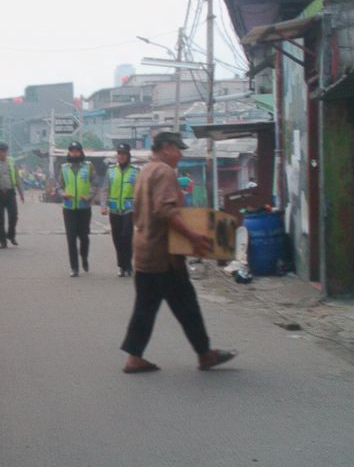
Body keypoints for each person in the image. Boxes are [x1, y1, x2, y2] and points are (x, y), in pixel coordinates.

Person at [120, 131, 236, 374]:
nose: (180, 155)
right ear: (165, 148)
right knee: (185, 305)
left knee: (148, 306)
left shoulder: (145, 171)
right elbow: (166, 211)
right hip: (164, 256)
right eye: (177, 149)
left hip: (144, 250)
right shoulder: (163, 172)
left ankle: (135, 357)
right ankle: (204, 354)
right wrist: (193, 237)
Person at [60, 140, 98, 276]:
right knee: (71, 238)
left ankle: (84, 257)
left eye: (76, 150)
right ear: (69, 152)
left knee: (84, 237)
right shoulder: (64, 167)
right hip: (69, 208)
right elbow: (60, 186)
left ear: (81, 152)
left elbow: (95, 183)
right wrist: (62, 194)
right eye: (72, 150)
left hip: (84, 208)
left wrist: (90, 196)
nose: (74, 153)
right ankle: (74, 268)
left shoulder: (89, 167)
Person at [102, 142, 139, 277]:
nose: (121, 156)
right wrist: (103, 206)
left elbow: (139, 191)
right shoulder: (111, 171)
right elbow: (105, 189)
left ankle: (128, 264)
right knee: (117, 238)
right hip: (114, 210)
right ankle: (121, 266)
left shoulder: (135, 171)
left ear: (128, 156)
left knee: (126, 236)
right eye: (119, 154)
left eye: (124, 154)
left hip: (129, 210)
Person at [0, 141, 24, 248]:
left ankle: (11, 235)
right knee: (0, 219)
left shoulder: (12, 162)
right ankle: (2, 241)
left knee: (13, 216)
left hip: (10, 193)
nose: (3, 154)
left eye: (4, 151)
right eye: (1, 152)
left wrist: (21, 193)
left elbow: (17, 178)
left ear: (7, 152)